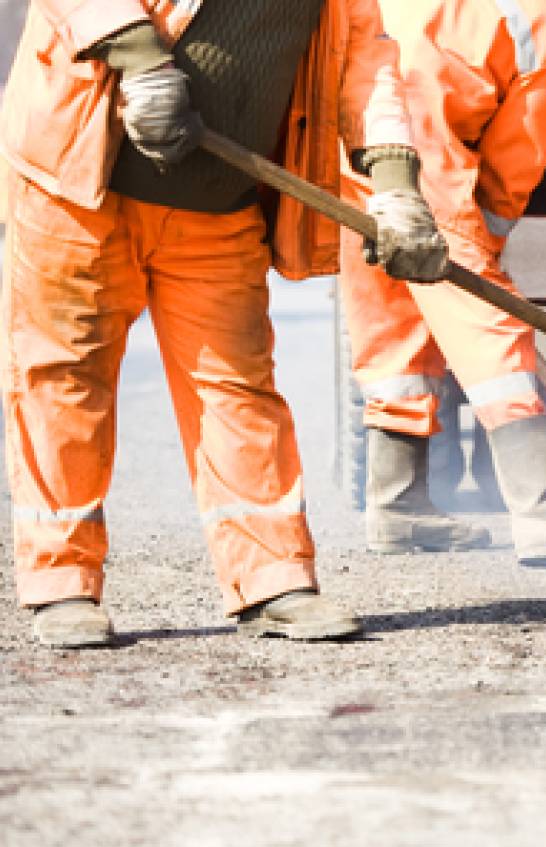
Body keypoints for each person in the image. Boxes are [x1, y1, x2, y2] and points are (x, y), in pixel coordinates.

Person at [0, 0, 448, 647]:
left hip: (216, 200)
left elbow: (365, 61)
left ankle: (275, 579)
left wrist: (396, 183)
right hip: (79, 184)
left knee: (238, 386)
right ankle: (62, 584)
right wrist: (139, 57)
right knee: (66, 378)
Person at [339, 0, 546, 565]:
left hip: (361, 141)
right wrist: (485, 243)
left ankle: (399, 505)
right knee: (490, 333)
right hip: (422, 160)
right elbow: (517, 158)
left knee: (395, 327)